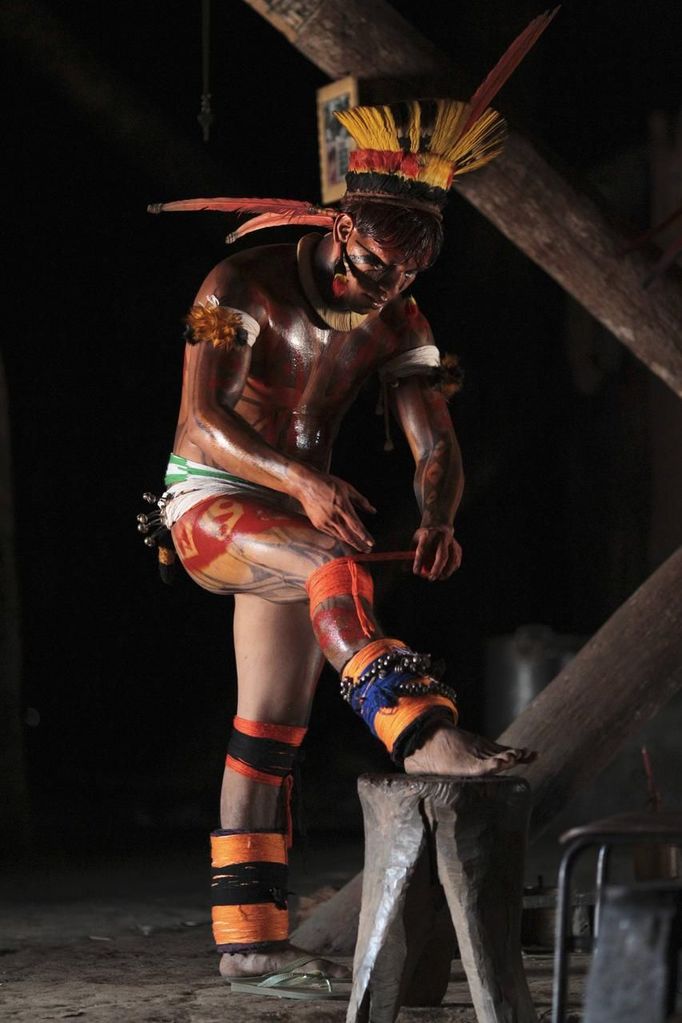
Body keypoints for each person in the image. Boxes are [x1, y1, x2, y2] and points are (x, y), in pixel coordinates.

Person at [145, 11, 555, 996]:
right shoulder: (234, 280)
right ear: (336, 228)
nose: (381, 291)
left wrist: (440, 512)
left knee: (268, 729)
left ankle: (248, 943)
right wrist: (304, 479)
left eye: (405, 275)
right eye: (373, 267)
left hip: (287, 522)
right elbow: (199, 427)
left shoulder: (400, 318)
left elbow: (432, 440)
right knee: (330, 565)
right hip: (211, 507)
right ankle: (423, 731)